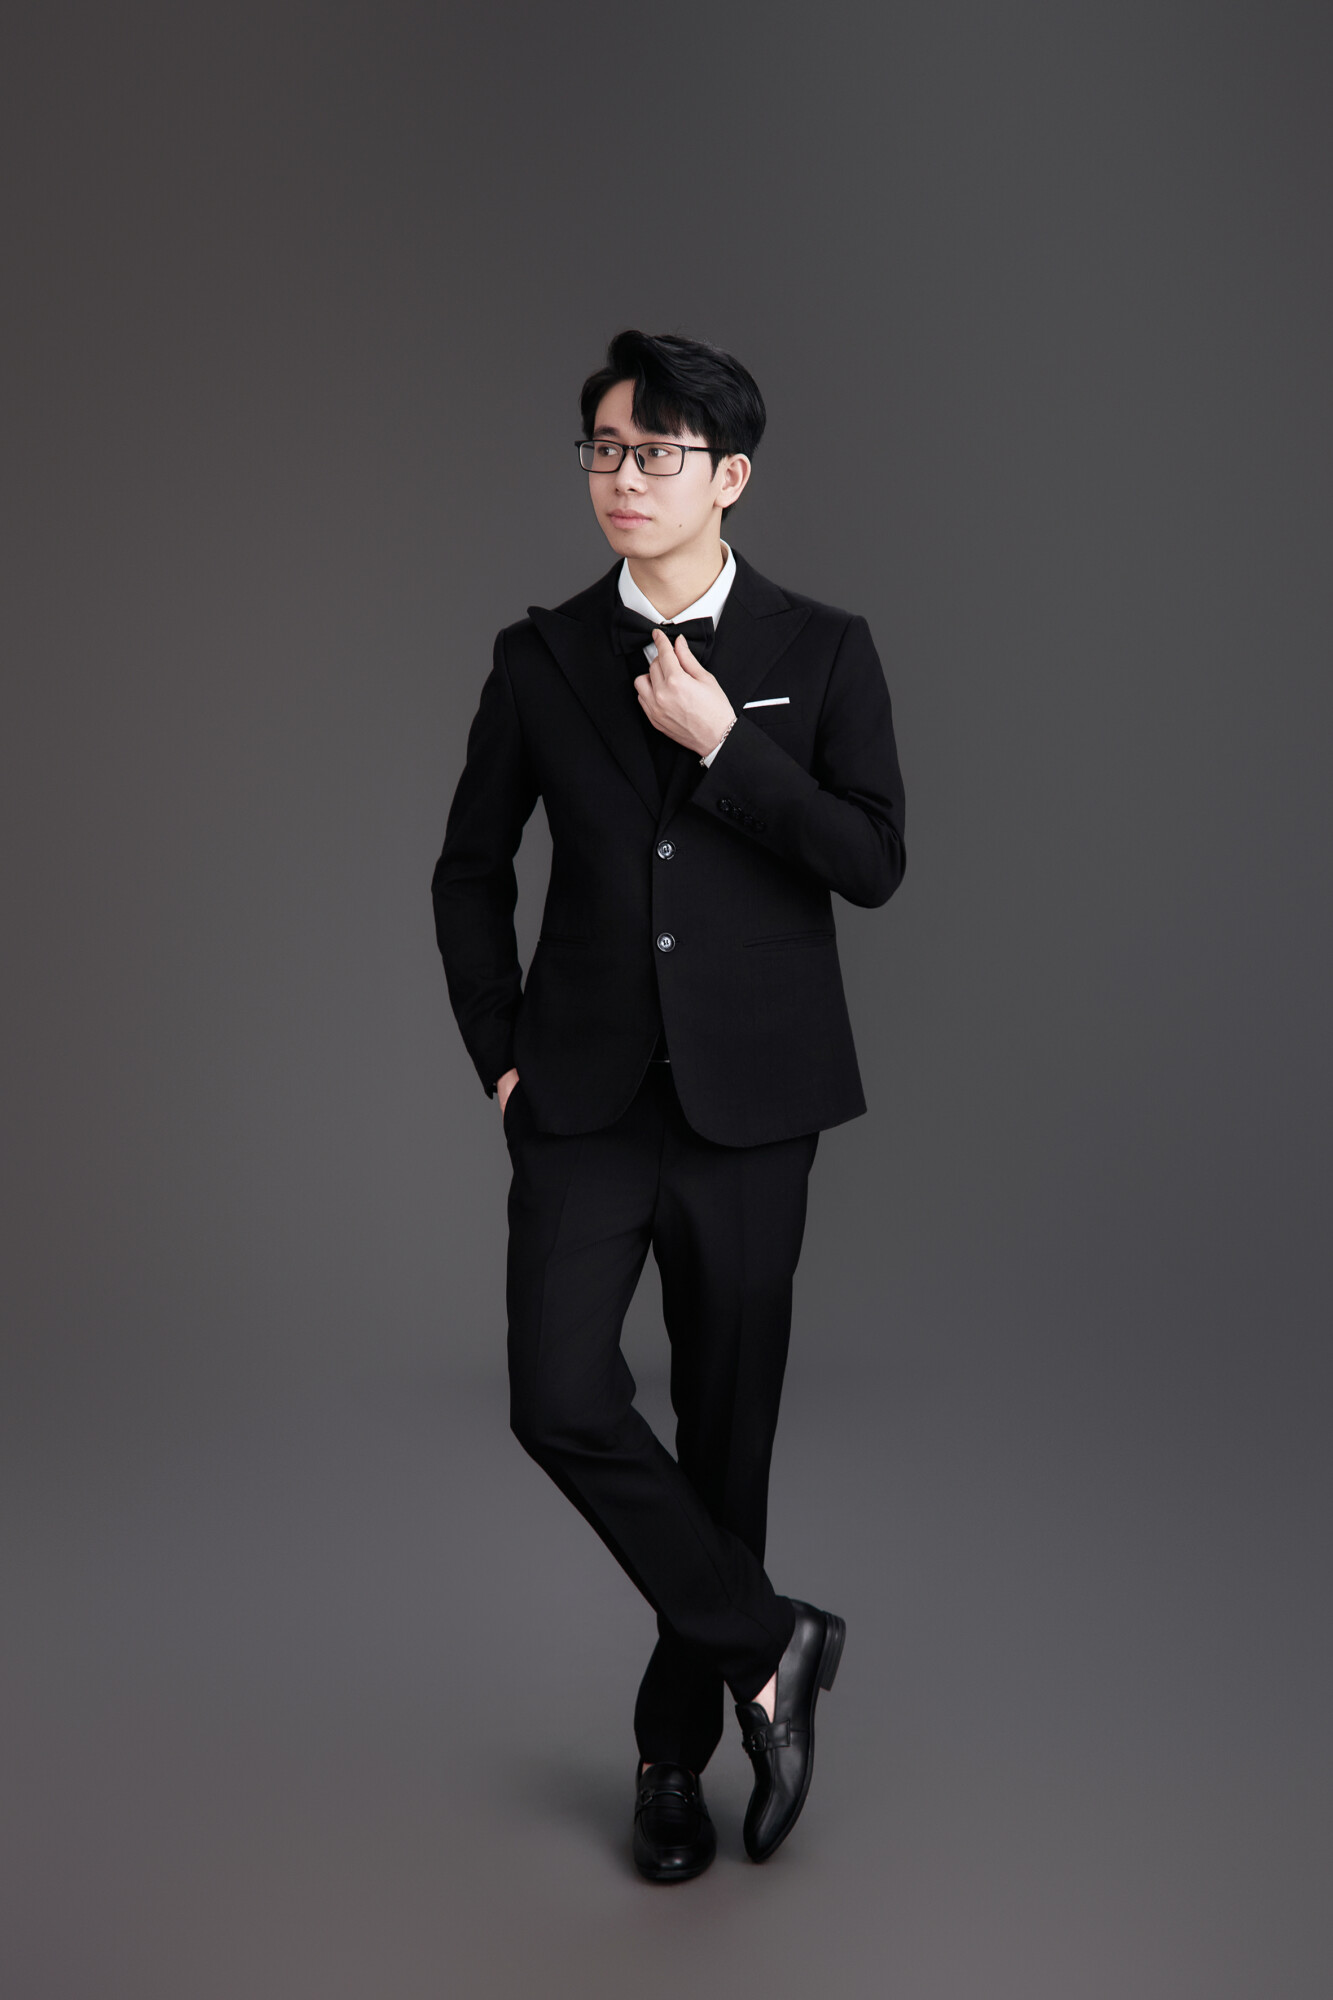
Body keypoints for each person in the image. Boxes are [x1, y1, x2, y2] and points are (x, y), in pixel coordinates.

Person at [431, 329, 906, 1880]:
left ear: (731, 476)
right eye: (605, 449)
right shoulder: (540, 657)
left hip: (752, 1106)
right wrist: (500, 1050)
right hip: (580, 1098)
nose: (624, 478)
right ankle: (771, 1646)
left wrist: (728, 748)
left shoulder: (821, 647)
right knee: (558, 1395)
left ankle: (669, 1762)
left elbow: (870, 861)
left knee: (725, 1440)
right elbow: (469, 870)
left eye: (657, 453)